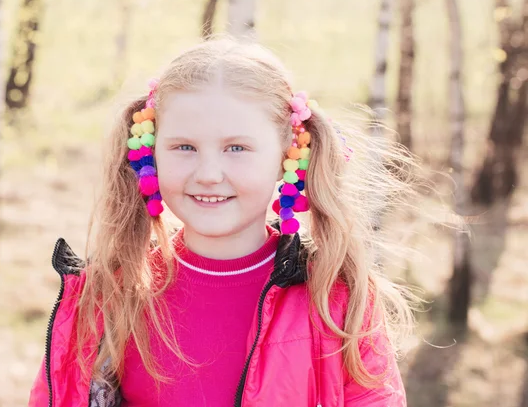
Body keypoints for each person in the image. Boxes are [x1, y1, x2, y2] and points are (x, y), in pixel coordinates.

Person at [28, 38, 421, 407]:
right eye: (185, 147)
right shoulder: (109, 293)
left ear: (287, 153)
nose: (209, 174)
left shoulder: (336, 298)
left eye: (236, 148)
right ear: (151, 152)